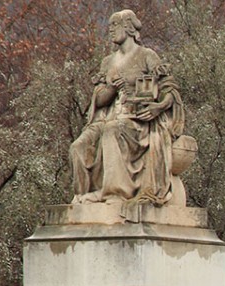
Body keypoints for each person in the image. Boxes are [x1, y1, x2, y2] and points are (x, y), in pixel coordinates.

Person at [69, 9, 186, 206]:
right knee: (78, 147)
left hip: (136, 121)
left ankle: (116, 193)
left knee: (111, 131)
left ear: (129, 27)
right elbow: (99, 101)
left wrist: (158, 107)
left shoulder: (146, 56)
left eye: (115, 25)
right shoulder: (107, 62)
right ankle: (82, 196)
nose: (111, 31)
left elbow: (169, 90)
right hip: (109, 117)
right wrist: (112, 87)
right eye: (110, 27)